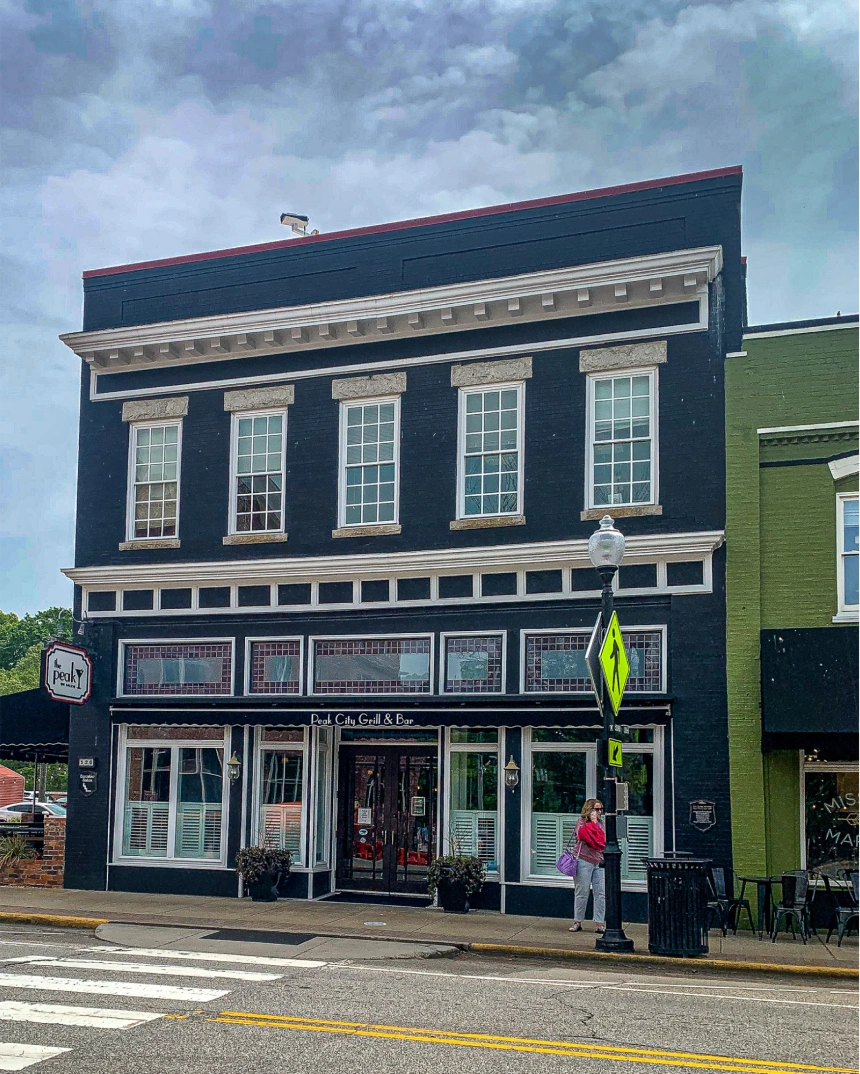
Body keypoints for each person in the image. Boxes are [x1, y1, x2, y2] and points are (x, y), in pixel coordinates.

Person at [569, 798, 606, 933]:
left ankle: (599, 923)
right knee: (582, 892)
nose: (599, 812)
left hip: (599, 861)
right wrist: (592, 823)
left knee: (600, 893)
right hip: (583, 860)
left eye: (600, 809)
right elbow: (584, 836)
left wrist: (596, 824)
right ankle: (578, 921)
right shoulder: (581, 822)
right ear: (589, 809)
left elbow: (601, 840)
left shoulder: (601, 824)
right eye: (596, 809)